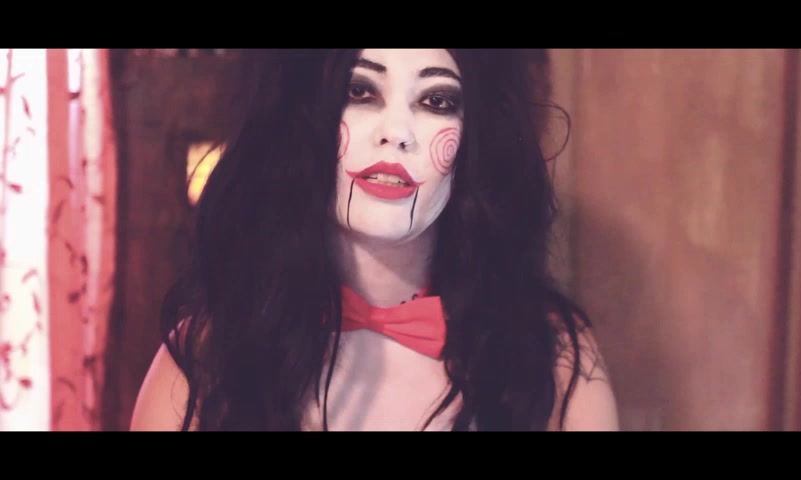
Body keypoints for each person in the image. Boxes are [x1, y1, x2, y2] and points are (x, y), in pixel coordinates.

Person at [130, 49, 619, 431]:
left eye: (437, 101)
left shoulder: (555, 361)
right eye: (360, 91)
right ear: (300, 116)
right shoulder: (205, 356)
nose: (397, 132)